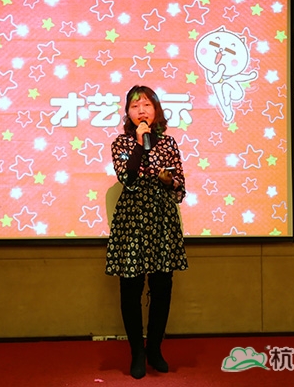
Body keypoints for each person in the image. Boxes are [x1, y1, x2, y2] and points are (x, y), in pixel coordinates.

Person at [105, 85, 188, 379]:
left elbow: (180, 189)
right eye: (135, 106)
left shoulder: (169, 143)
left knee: (162, 287)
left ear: (156, 111)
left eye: (147, 105)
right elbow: (127, 178)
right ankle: (136, 353)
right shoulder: (121, 143)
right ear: (128, 113)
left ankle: (154, 348)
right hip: (132, 221)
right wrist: (140, 144)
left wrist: (169, 181)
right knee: (131, 287)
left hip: (162, 219)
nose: (141, 110)